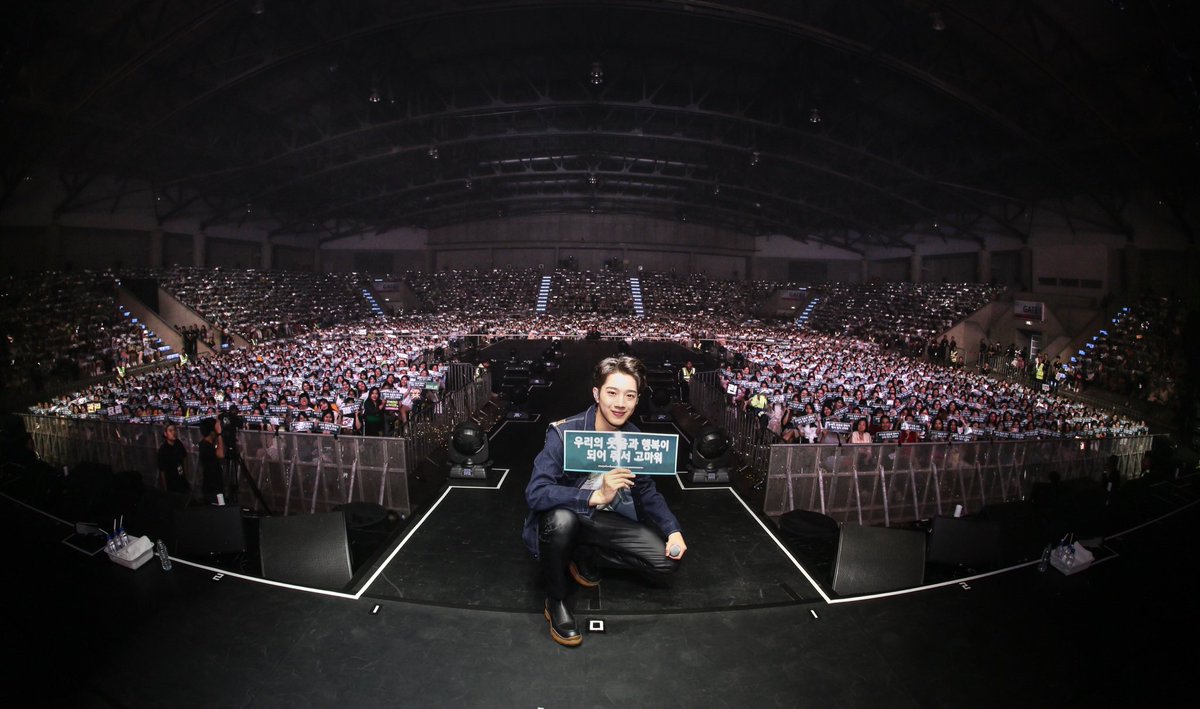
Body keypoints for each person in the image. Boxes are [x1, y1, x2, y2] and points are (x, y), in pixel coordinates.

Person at [523, 355, 686, 647]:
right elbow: (536, 492)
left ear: (637, 400)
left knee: (666, 563)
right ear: (597, 394)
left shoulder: (633, 437)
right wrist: (593, 496)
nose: (620, 403)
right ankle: (556, 600)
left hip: (602, 520)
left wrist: (672, 529)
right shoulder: (564, 432)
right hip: (566, 516)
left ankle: (582, 553)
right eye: (612, 393)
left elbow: (646, 489)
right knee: (562, 521)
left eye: (630, 395)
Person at [198, 417, 226, 504]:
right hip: (212, 487)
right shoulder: (206, 446)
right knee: (218, 508)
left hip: (212, 485)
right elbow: (221, 454)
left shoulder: (206, 444)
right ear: (212, 431)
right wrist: (219, 434)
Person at [156, 423, 190, 495]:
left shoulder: (178, 444)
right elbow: (162, 471)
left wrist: (186, 475)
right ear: (165, 434)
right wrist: (166, 489)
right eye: (170, 431)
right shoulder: (163, 450)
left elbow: (184, 458)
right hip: (172, 483)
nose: (173, 432)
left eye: (174, 430)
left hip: (182, 480)